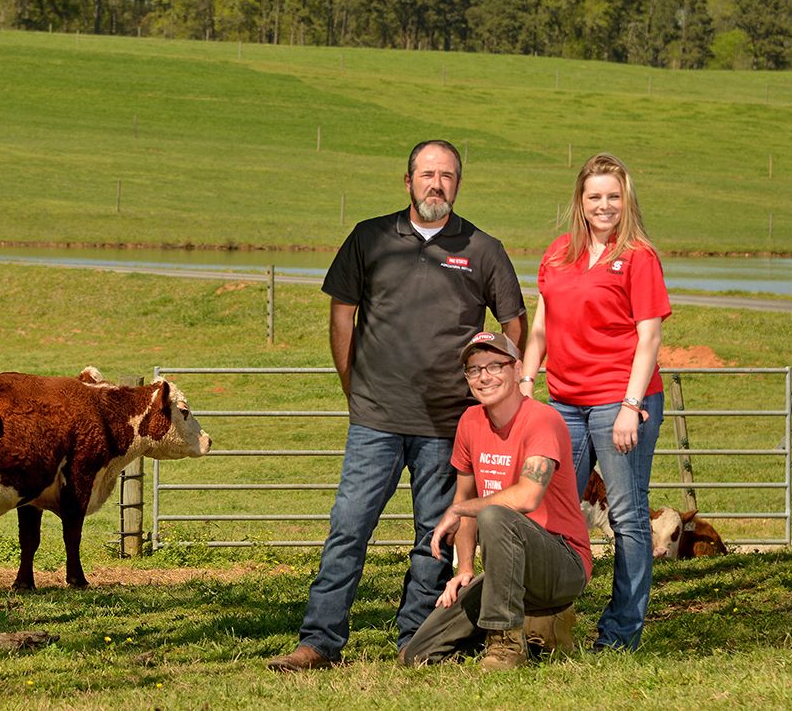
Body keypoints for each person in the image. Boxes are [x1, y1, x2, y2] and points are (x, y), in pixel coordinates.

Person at [268, 140, 527, 672]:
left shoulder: (483, 248)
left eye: (448, 176)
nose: (437, 184)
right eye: (427, 174)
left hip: (447, 423)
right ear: (407, 181)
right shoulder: (370, 237)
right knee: (349, 526)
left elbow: (514, 326)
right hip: (376, 419)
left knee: (435, 534)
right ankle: (318, 641)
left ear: (458, 183)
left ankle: (416, 640)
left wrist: (495, 388)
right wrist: (353, 387)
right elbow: (343, 317)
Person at [519, 152, 671, 651]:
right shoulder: (559, 252)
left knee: (627, 516)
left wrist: (630, 406)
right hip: (563, 402)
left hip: (620, 401)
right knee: (550, 509)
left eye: (613, 196)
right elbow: (542, 325)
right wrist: (525, 382)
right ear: (580, 202)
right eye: (595, 196)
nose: (604, 205)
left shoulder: (640, 256)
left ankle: (621, 632)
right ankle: (545, 622)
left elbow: (648, 338)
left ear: (625, 200)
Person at [399, 331, 591, 671]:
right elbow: (465, 495)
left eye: (494, 366)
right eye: (473, 370)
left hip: (562, 562)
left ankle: (506, 646)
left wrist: (457, 510)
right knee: (418, 654)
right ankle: (532, 628)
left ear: (517, 370)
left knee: (495, 515)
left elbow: (527, 496)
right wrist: (466, 570)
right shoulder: (470, 422)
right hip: (508, 569)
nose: (484, 376)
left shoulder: (543, 419)